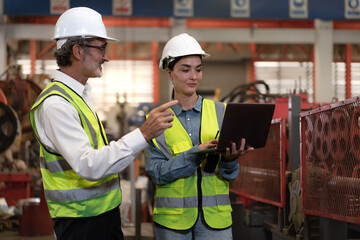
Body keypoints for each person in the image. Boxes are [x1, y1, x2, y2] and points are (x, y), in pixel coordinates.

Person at [29, 7, 177, 240]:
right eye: (101, 48)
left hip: (100, 216)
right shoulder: (56, 104)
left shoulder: (78, 96)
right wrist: (143, 134)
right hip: (79, 223)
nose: (106, 56)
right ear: (78, 51)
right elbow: (89, 165)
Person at [145, 33, 254, 240]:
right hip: (173, 224)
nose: (193, 76)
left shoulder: (222, 112)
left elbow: (230, 175)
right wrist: (196, 153)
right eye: (185, 70)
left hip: (215, 222)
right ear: (169, 73)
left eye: (198, 69)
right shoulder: (156, 120)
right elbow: (157, 173)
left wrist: (231, 160)